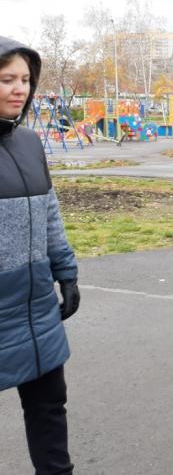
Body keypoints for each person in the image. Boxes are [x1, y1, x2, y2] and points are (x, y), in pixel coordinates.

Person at [1, 36, 81, 474]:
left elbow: (50, 215)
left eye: (26, 80)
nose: (20, 89)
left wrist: (66, 273)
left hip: (34, 308)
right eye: (7, 79)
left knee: (50, 408)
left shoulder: (30, 144)